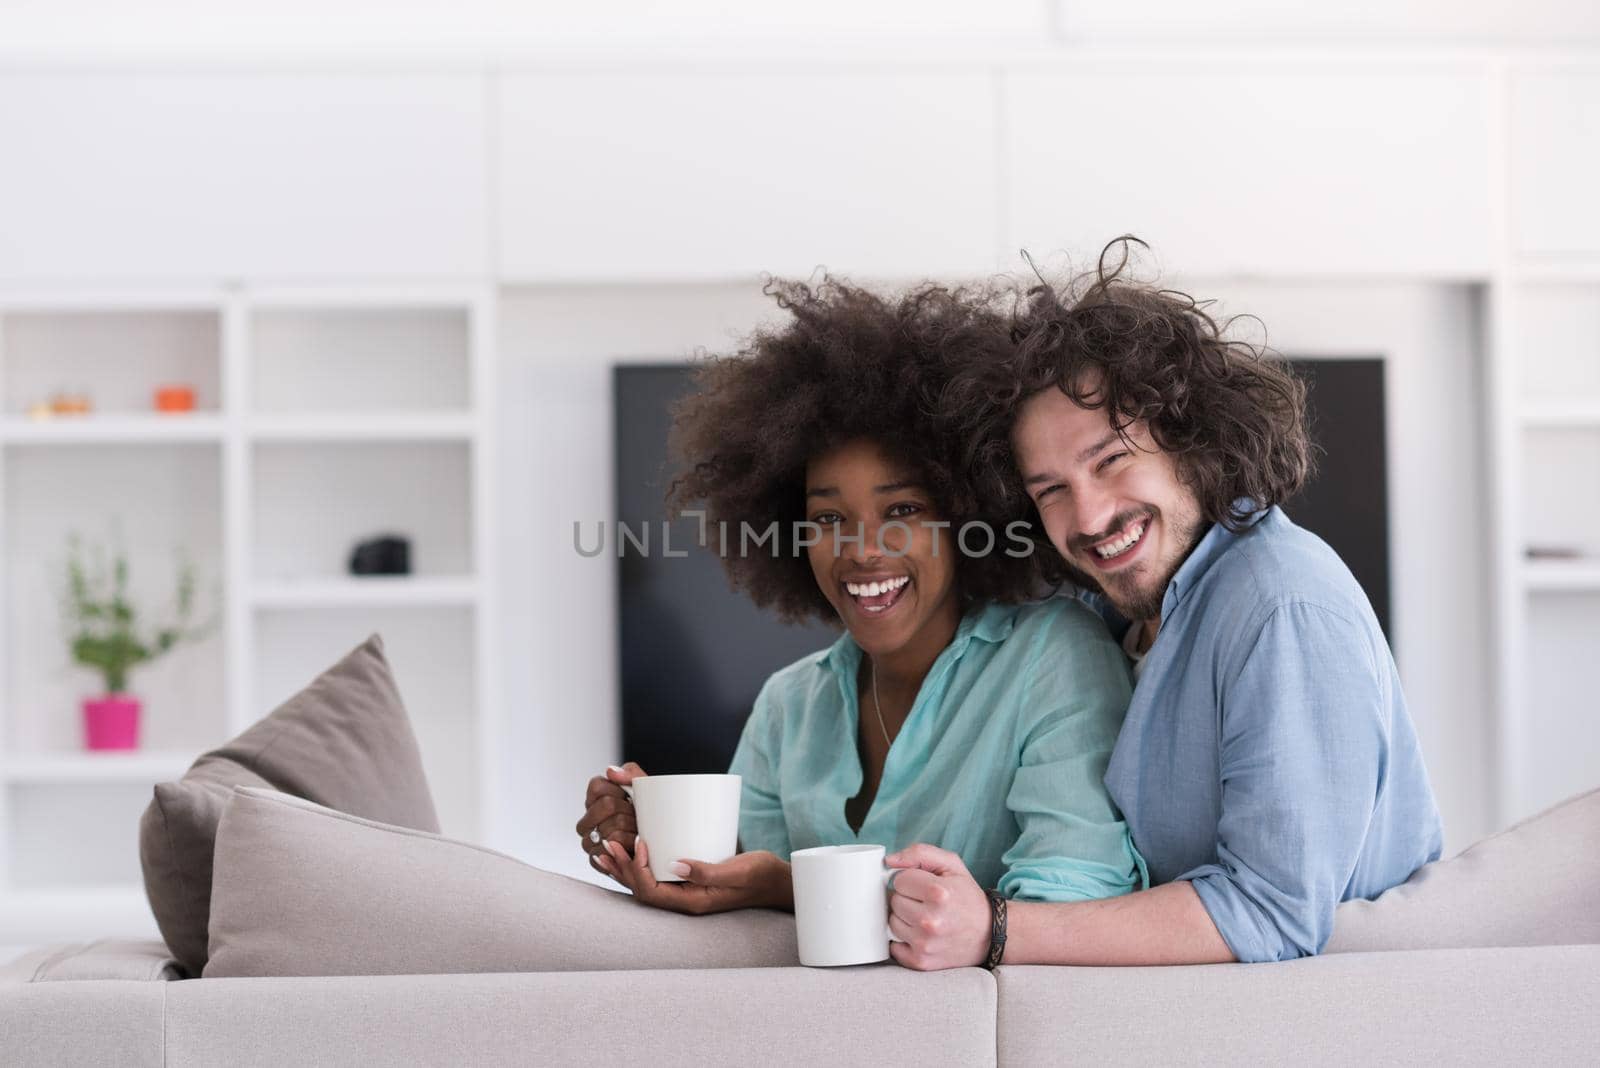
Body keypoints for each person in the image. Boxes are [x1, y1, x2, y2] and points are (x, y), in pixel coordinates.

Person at [889, 240, 1444, 968]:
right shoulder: (1127, 618)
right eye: (1050, 489)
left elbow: (1271, 911)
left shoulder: (1281, 607)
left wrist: (995, 929)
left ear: (1191, 440)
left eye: (1111, 460)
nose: (1086, 516)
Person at [576, 278, 1145, 960]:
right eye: (827, 519)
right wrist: (662, 848)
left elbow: (1071, 900)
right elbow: (749, 928)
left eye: (901, 510)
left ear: (967, 516)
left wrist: (787, 885)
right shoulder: (789, 705)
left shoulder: (1053, 658)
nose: (862, 549)